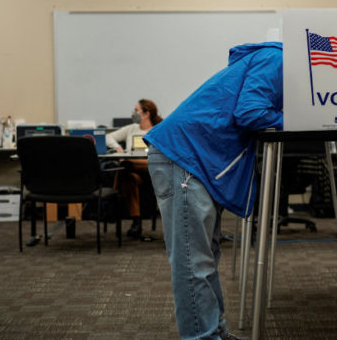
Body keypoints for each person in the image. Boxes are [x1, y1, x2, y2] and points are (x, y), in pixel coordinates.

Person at [145, 42, 282, 340]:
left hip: (194, 159)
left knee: (206, 257)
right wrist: (298, 120)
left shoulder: (271, 59)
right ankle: (202, 337)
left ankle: (215, 331)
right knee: (193, 261)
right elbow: (251, 112)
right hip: (184, 157)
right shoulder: (276, 58)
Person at [105, 99, 162, 239]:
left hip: (153, 170)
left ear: (146, 113)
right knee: (129, 177)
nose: (133, 113)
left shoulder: (158, 129)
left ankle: (112, 199)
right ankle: (137, 223)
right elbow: (108, 137)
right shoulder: (131, 128)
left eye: (136, 110)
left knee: (127, 164)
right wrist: (117, 147)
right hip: (134, 173)